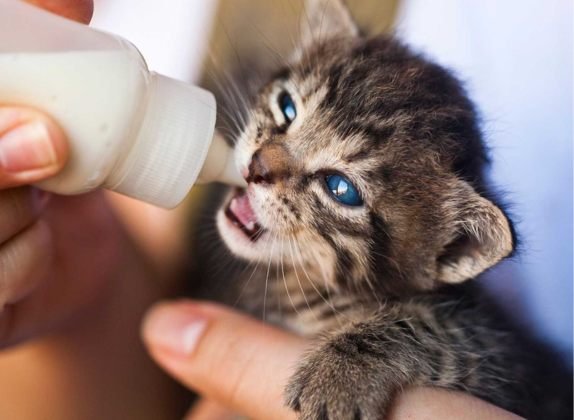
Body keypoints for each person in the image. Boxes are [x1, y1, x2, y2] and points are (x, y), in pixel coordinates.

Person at [0, 1, 522, 418]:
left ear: (449, 247)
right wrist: (83, 306)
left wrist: (366, 356)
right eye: (288, 109)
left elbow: (479, 352)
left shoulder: (413, 297)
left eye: (340, 187)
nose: (263, 163)